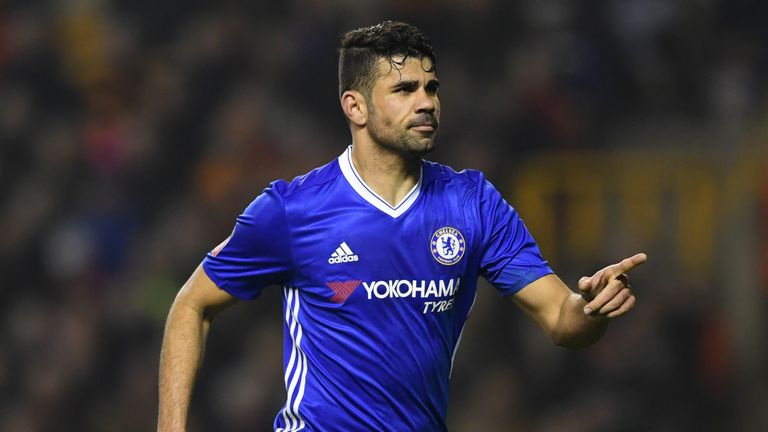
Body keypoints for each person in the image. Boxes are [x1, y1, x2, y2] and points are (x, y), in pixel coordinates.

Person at [157, 20, 646, 432]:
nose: (427, 102)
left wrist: (591, 308)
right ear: (356, 107)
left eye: (431, 88)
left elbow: (562, 320)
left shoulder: (473, 204)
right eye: (405, 90)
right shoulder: (292, 210)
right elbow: (191, 305)